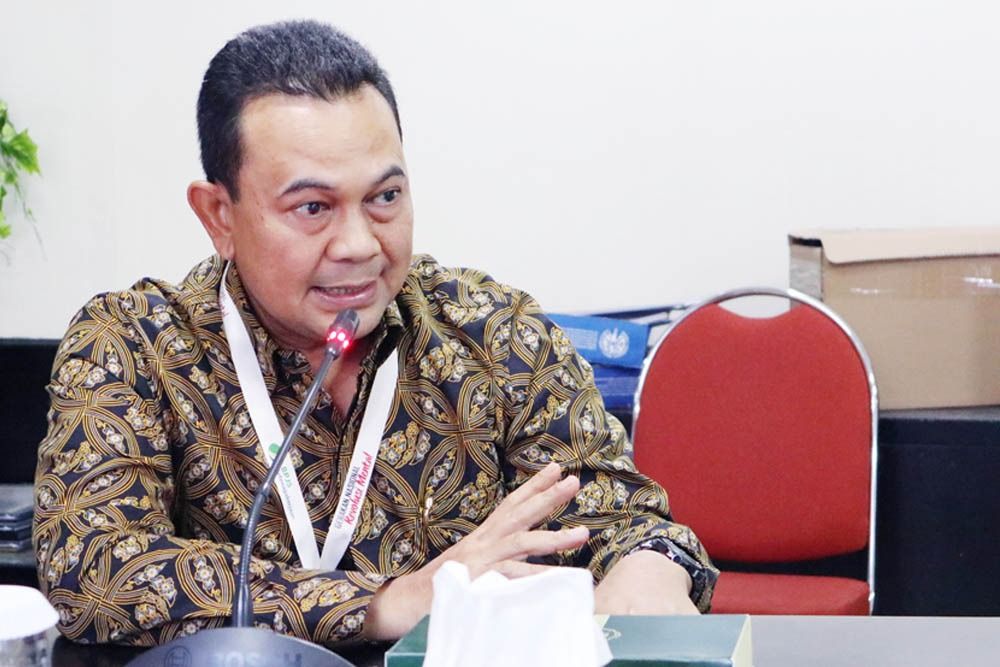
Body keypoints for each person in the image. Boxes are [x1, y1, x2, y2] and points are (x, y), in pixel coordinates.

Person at [33, 20, 717, 647]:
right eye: (313, 207)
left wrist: (649, 566)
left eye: (385, 197)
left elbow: (621, 517)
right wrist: (391, 601)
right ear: (220, 215)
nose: (360, 245)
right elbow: (93, 565)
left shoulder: (495, 333)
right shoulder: (134, 344)